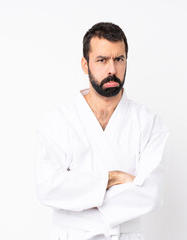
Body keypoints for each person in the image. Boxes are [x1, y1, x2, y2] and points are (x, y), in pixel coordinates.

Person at [36, 22, 170, 240]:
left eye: (119, 59)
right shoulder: (57, 122)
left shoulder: (148, 122)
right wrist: (112, 178)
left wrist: (78, 196)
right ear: (85, 64)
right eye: (102, 60)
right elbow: (48, 188)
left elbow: (151, 194)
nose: (112, 70)